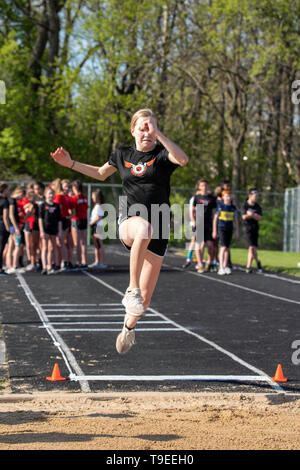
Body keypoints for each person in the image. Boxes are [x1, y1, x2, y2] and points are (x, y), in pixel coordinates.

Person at [50, 108, 188, 354]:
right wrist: (70, 163)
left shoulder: (163, 155)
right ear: (133, 130)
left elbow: (184, 159)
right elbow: (100, 174)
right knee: (143, 229)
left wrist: (161, 136)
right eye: (143, 127)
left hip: (160, 225)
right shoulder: (122, 154)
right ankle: (131, 290)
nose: (148, 132)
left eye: (152, 127)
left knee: (143, 304)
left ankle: (128, 327)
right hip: (130, 220)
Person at [191, 179, 216, 273]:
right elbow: (192, 210)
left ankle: (209, 262)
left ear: (208, 186)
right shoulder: (197, 197)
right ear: (199, 187)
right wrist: (193, 221)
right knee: (200, 245)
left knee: (210, 245)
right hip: (199, 222)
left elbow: (214, 213)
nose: (204, 187)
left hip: (209, 223)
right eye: (202, 185)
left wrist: (214, 226)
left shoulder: (212, 198)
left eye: (205, 185)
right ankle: (200, 264)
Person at [213, 190, 239, 275]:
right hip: (222, 228)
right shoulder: (220, 206)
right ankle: (220, 267)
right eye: (226, 196)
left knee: (227, 248)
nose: (228, 198)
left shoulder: (233, 207)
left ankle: (225, 266)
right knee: (223, 247)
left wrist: (237, 231)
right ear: (223, 197)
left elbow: (236, 220)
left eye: (229, 196)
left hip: (229, 229)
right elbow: (215, 219)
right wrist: (214, 230)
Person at [38, 186, 62, 275]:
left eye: (52, 193)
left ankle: (53, 265)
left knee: (53, 247)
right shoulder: (42, 205)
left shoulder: (57, 206)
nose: (51, 195)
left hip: (54, 228)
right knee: (45, 247)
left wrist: (59, 231)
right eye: (49, 193)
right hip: (45, 228)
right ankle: (44, 267)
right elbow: (40, 219)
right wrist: (41, 231)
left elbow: (59, 220)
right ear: (45, 195)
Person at [241, 188, 262, 273]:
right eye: (255, 196)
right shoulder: (245, 205)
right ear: (250, 195)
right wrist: (252, 215)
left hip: (255, 228)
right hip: (247, 228)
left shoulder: (257, 206)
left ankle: (257, 262)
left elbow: (260, 217)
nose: (256, 197)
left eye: (257, 196)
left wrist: (252, 215)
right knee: (251, 247)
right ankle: (248, 266)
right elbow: (244, 217)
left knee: (254, 248)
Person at [6, 186, 26, 274]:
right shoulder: (12, 201)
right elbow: (11, 215)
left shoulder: (11, 200)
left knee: (11, 245)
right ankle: (14, 265)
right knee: (17, 245)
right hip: (13, 226)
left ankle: (10, 266)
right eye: (22, 196)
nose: (22, 198)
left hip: (12, 226)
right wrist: (16, 227)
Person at [70, 180, 88, 270]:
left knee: (77, 243)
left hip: (76, 220)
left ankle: (78, 262)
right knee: (83, 242)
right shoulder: (85, 197)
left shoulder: (73, 198)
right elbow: (86, 208)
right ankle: (84, 261)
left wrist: (67, 217)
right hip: (84, 219)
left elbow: (73, 213)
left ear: (74, 188)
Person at [89, 189, 107, 269]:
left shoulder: (100, 206)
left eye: (93, 196)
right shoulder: (96, 206)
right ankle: (97, 261)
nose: (92, 197)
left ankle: (102, 262)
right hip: (94, 226)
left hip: (98, 227)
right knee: (96, 245)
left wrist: (90, 223)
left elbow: (98, 217)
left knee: (100, 245)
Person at [0, 183, 10, 276]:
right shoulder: (5, 201)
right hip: (2, 226)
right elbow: (5, 216)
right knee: (1, 247)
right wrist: (8, 228)